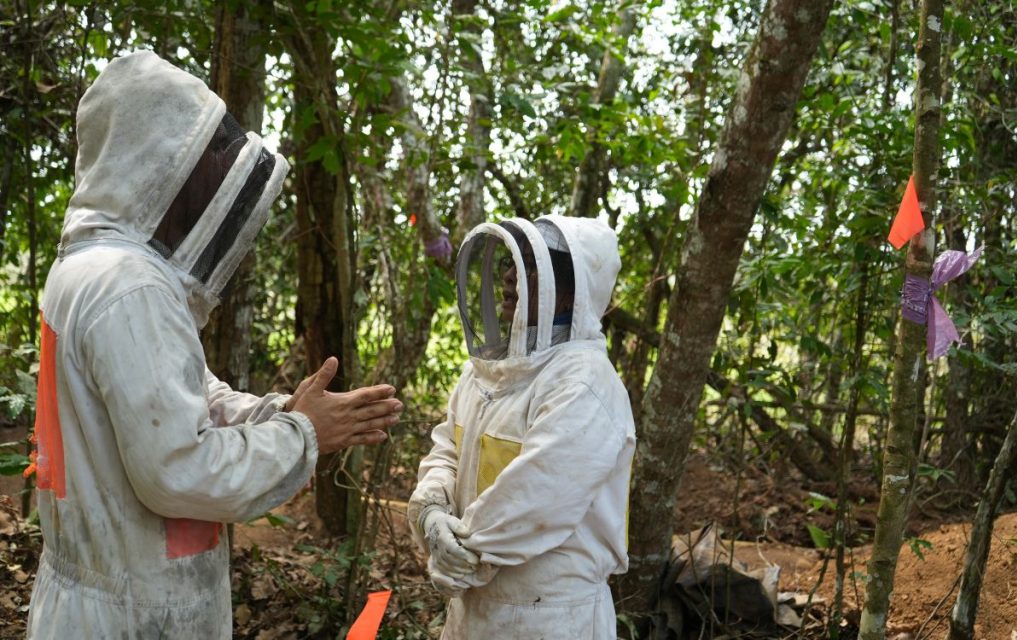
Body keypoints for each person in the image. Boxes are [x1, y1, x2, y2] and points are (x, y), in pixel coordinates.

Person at [25, 50, 403, 639]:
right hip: (137, 615)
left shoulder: (91, 269)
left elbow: (185, 398)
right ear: (157, 156)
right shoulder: (131, 286)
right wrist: (301, 436)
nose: (220, 166)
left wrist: (280, 413)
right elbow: (178, 470)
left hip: (103, 599)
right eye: (207, 150)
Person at [407, 215, 636, 639]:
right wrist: (431, 512)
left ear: (569, 292)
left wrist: (463, 554)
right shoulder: (483, 374)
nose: (510, 277)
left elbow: (538, 495)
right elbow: (445, 452)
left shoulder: (585, 384)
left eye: (533, 268)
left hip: (550, 618)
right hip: (473, 612)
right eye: (514, 263)